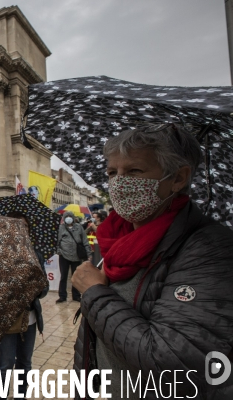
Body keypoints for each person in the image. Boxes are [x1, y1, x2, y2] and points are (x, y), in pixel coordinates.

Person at [72, 124, 233, 398]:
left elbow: (175, 364)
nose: (119, 182)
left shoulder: (210, 248)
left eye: (134, 171)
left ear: (178, 178)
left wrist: (94, 293)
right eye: (112, 172)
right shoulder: (116, 238)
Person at [0, 212, 48, 400]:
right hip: (7, 319)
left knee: (25, 362)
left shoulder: (36, 254)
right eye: (16, 226)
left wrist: (33, 287)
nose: (20, 230)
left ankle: (21, 396)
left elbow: (44, 289)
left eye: (24, 226)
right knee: (5, 364)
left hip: (30, 318)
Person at [56, 211, 92, 303]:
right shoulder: (60, 228)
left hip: (76, 256)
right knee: (63, 276)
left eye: (70, 216)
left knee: (75, 276)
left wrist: (88, 254)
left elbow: (85, 241)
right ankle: (62, 296)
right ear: (64, 218)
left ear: (73, 217)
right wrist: (59, 251)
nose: (68, 218)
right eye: (66, 216)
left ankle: (76, 295)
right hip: (64, 255)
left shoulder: (79, 227)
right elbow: (57, 241)